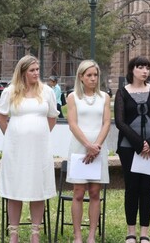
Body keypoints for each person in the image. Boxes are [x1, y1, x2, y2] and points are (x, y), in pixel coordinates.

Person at [0, 55, 58, 243]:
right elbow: (1, 118)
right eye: (32, 70)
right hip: (15, 150)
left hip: (40, 149)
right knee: (15, 189)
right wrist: (14, 136)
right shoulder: (10, 92)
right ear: (22, 72)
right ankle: (13, 233)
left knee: (37, 189)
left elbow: (52, 117)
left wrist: (38, 134)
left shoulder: (47, 92)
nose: (36, 73)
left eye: (37, 70)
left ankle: (35, 232)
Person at [113, 56, 150, 243]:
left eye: (147, 67)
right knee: (132, 188)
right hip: (129, 149)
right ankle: (131, 232)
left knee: (147, 189)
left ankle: (144, 233)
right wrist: (138, 143)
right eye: (141, 67)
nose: (145, 71)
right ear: (132, 70)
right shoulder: (122, 93)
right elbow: (120, 122)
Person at [64, 60, 111, 243]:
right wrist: (87, 145)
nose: (93, 78)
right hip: (79, 147)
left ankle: (91, 234)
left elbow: (106, 122)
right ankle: (77, 235)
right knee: (78, 192)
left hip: (98, 148)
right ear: (81, 77)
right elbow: (72, 123)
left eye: (95, 75)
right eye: (89, 75)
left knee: (94, 192)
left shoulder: (104, 97)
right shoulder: (72, 97)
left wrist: (96, 145)